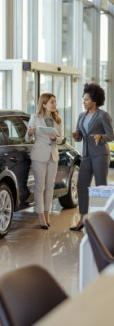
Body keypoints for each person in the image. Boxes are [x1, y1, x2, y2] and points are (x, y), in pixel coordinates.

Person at [70, 83, 114, 231]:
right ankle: (83, 218)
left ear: (94, 100)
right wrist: (76, 136)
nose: (84, 102)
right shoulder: (82, 116)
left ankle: (102, 220)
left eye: (86, 100)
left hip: (100, 154)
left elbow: (111, 135)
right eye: (83, 99)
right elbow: (80, 136)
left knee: (100, 186)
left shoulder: (103, 115)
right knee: (82, 185)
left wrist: (100, 136)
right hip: (87, 155)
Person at [25, 93, 63, 229]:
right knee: (40, 187)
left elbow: (61, 139)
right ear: (44, 104)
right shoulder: (34, 118)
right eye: (52, 102)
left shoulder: (57, 120)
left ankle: (47, 214)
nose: (54, 104)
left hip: (53, 155)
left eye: (55, 102)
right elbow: (27, 139)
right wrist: (30, 132)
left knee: (50, 186)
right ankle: (41, 215)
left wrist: (55, 139)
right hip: (39, 156)